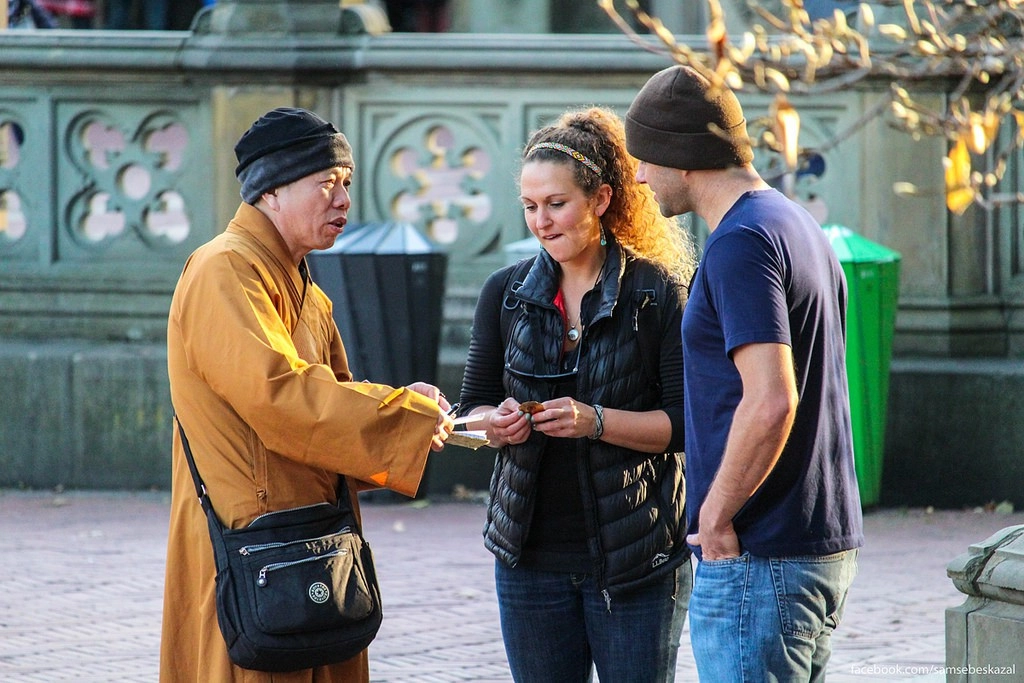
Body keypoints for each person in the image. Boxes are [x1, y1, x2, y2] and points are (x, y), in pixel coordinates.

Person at [160, 107, 454, 682]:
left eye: (346, 183)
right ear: (270, 191)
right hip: (253, 539)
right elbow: (278, 395)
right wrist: (402, 420)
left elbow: (331, 398)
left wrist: (403, 405)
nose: (343, 200)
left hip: (312, 535)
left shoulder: (302, 283)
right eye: (326, 183)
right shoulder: (224, 269)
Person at [625, 65, 864, 681]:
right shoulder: (794, 223)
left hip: (760, 554)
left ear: (682, 158)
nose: (640, 176)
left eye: (645, 158)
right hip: (815, 542)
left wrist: (714, 516)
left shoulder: (741, 243)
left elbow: (771, 400)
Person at [458, 106, 695, 682]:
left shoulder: (656, 292)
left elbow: (687, 424)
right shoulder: (505, 292)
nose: (541, 222)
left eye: (556, 204)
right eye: (529, 206)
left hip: (638, 559)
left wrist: (597, 421)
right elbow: (471, 410)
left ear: (601, 199)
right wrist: (494, 425)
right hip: (528, 560)